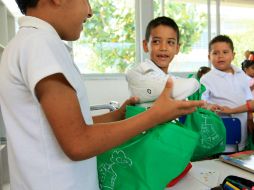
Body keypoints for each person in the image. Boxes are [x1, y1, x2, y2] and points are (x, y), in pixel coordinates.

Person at [0, 1, 204, 190]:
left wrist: (120, 114)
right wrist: (153, 117)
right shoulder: (40, 44)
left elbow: (69, 127)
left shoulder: (24, 42)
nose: (89, 11)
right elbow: (78, 142)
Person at [126, 16, 200, 106]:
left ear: (177, 48)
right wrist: (196, 82)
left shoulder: (163, 77)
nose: (163, 48)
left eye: (170, 42)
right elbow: (187, 86)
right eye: (156, 41)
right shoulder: (138, 73)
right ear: (145, 45)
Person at [200, 35, 253, 152]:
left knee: (241, 163)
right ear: (209, 57)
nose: (220, 56)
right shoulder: (206, 79)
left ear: (233, 55)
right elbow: (202, 103)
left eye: (225, 52)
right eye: (215, 53)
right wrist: (209, 106)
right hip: (221, 136)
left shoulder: (242, 75)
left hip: (243, 135)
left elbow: (250, 100)